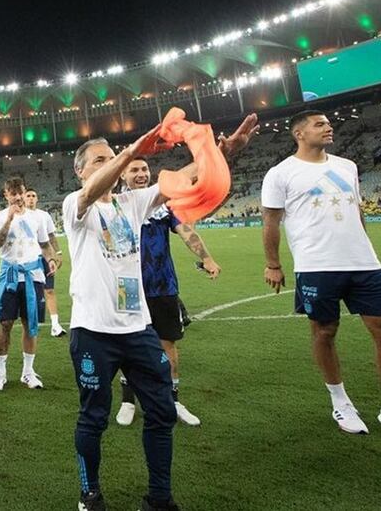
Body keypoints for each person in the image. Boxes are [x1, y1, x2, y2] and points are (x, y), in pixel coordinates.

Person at [64, 115, 255, 511]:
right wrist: (130, 152)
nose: (110, 164)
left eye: (111, 157)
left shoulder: (132, 203)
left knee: (162, 413)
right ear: (80, 170)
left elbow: (182, 177)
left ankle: (160, 498)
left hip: (138, 330)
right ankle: (90, 493)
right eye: (100, 160)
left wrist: (220, 152)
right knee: (93, 419)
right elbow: (90, 193)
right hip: (93, 332)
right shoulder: (74, 206)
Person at [262, 110, 381, 438]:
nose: (328, 126)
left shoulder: (347, 167)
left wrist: (366, 247)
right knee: (324, 332)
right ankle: (340, 401)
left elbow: (357, 212)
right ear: (299, 134)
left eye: (327, 122)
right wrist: (273, 265)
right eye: (319, 124)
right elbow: (271, 223)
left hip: (363, 263)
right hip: (316, 265)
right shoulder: (281, 174)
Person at [114, 158, 222, 429]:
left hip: (163, 286)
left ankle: (173, 400)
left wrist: (207, 258)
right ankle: (128, 401)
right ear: (122, 174)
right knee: (128, 345)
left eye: (144, 169)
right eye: (134, 170)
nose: (141, 174)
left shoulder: (165, 206)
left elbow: (186, 231)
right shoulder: (116, 205)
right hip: (128, 286)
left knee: (168, 344)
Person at [0, 177, 60, 390]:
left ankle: (28, 372)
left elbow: (44, 244)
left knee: (30, 324)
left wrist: (52, 258)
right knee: (5, 323)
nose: (18, 197)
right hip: (10, 273)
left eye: (20, 192)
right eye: (13, 193)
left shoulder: (36, 217)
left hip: (33, 274)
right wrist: (8, 220)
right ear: (6, 195)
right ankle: (0, 372)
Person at [25, 187, 65, 337]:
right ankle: (32, 322)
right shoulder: (21, 216)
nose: (30, 198)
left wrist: (58, 253)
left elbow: (51, 236)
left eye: (33, 195)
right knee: (31, 291)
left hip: (45, 257)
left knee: (49, 290)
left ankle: (55, 324)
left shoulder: (44, 215)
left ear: (37, 199)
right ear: (23, 198)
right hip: (29, 259)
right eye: (28, 195)